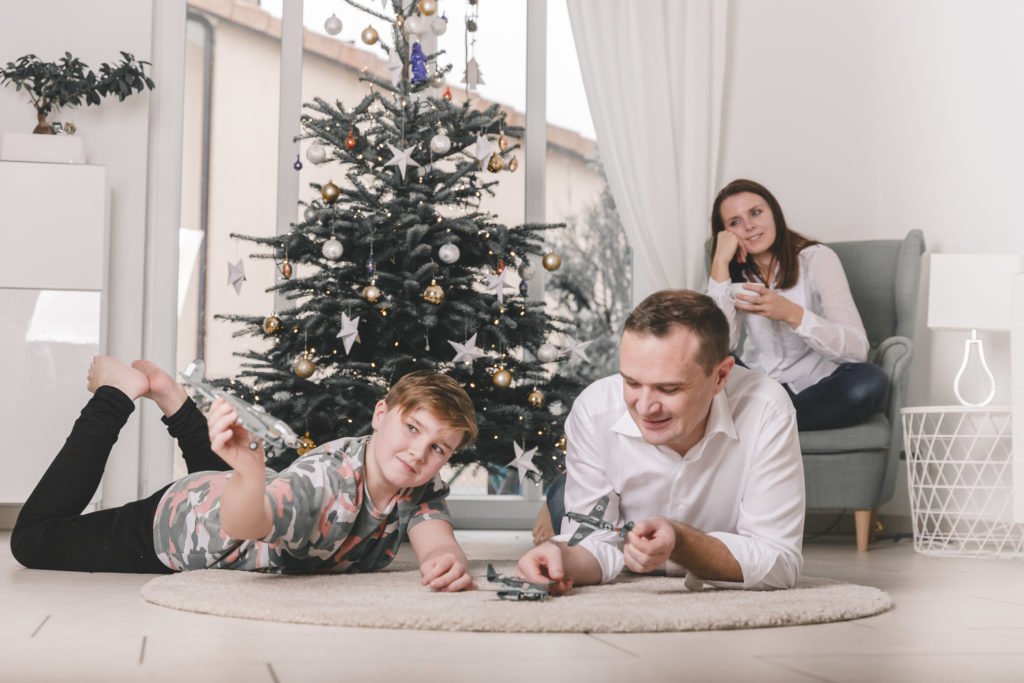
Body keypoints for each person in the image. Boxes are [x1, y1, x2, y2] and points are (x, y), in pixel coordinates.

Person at [12, 356, 478, 591]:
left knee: (238, 474)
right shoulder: (323, 488)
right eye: (412, 428)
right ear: (381, 414)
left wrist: (445, 559)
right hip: (187, 523)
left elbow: (434, 534)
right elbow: (244, 524)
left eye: (438, 447)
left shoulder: (416, 482)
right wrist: (251, 474)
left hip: (245, 489)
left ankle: (170, 395)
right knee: (33, 539)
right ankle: (116, 393)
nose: (419, 452)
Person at [520, 290, 805, 593]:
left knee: (565, 494)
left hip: (639, 514)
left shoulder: (767, 408)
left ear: (720, 376)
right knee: (563, 501)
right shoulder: (594, 410)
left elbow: (780, 563)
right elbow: (593, 545)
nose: (644, 407)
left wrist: (681, 543)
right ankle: (558, 495)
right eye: (631, 382)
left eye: (668, 389)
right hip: (601, 503)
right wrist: (561, 556)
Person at [707, 178, 888, 431]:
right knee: (712, 366)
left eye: (756, 213)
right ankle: (778, 421)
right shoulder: (732, 272)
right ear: (726, 233)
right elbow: (717, 347)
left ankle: (772, 424)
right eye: (735, 222)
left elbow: (858, 350)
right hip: (761, 386)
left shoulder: (817, 259)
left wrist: (792, 314)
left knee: (870, 381)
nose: (748, 226)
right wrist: (719, 263)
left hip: (816, 386)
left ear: (774, 213)